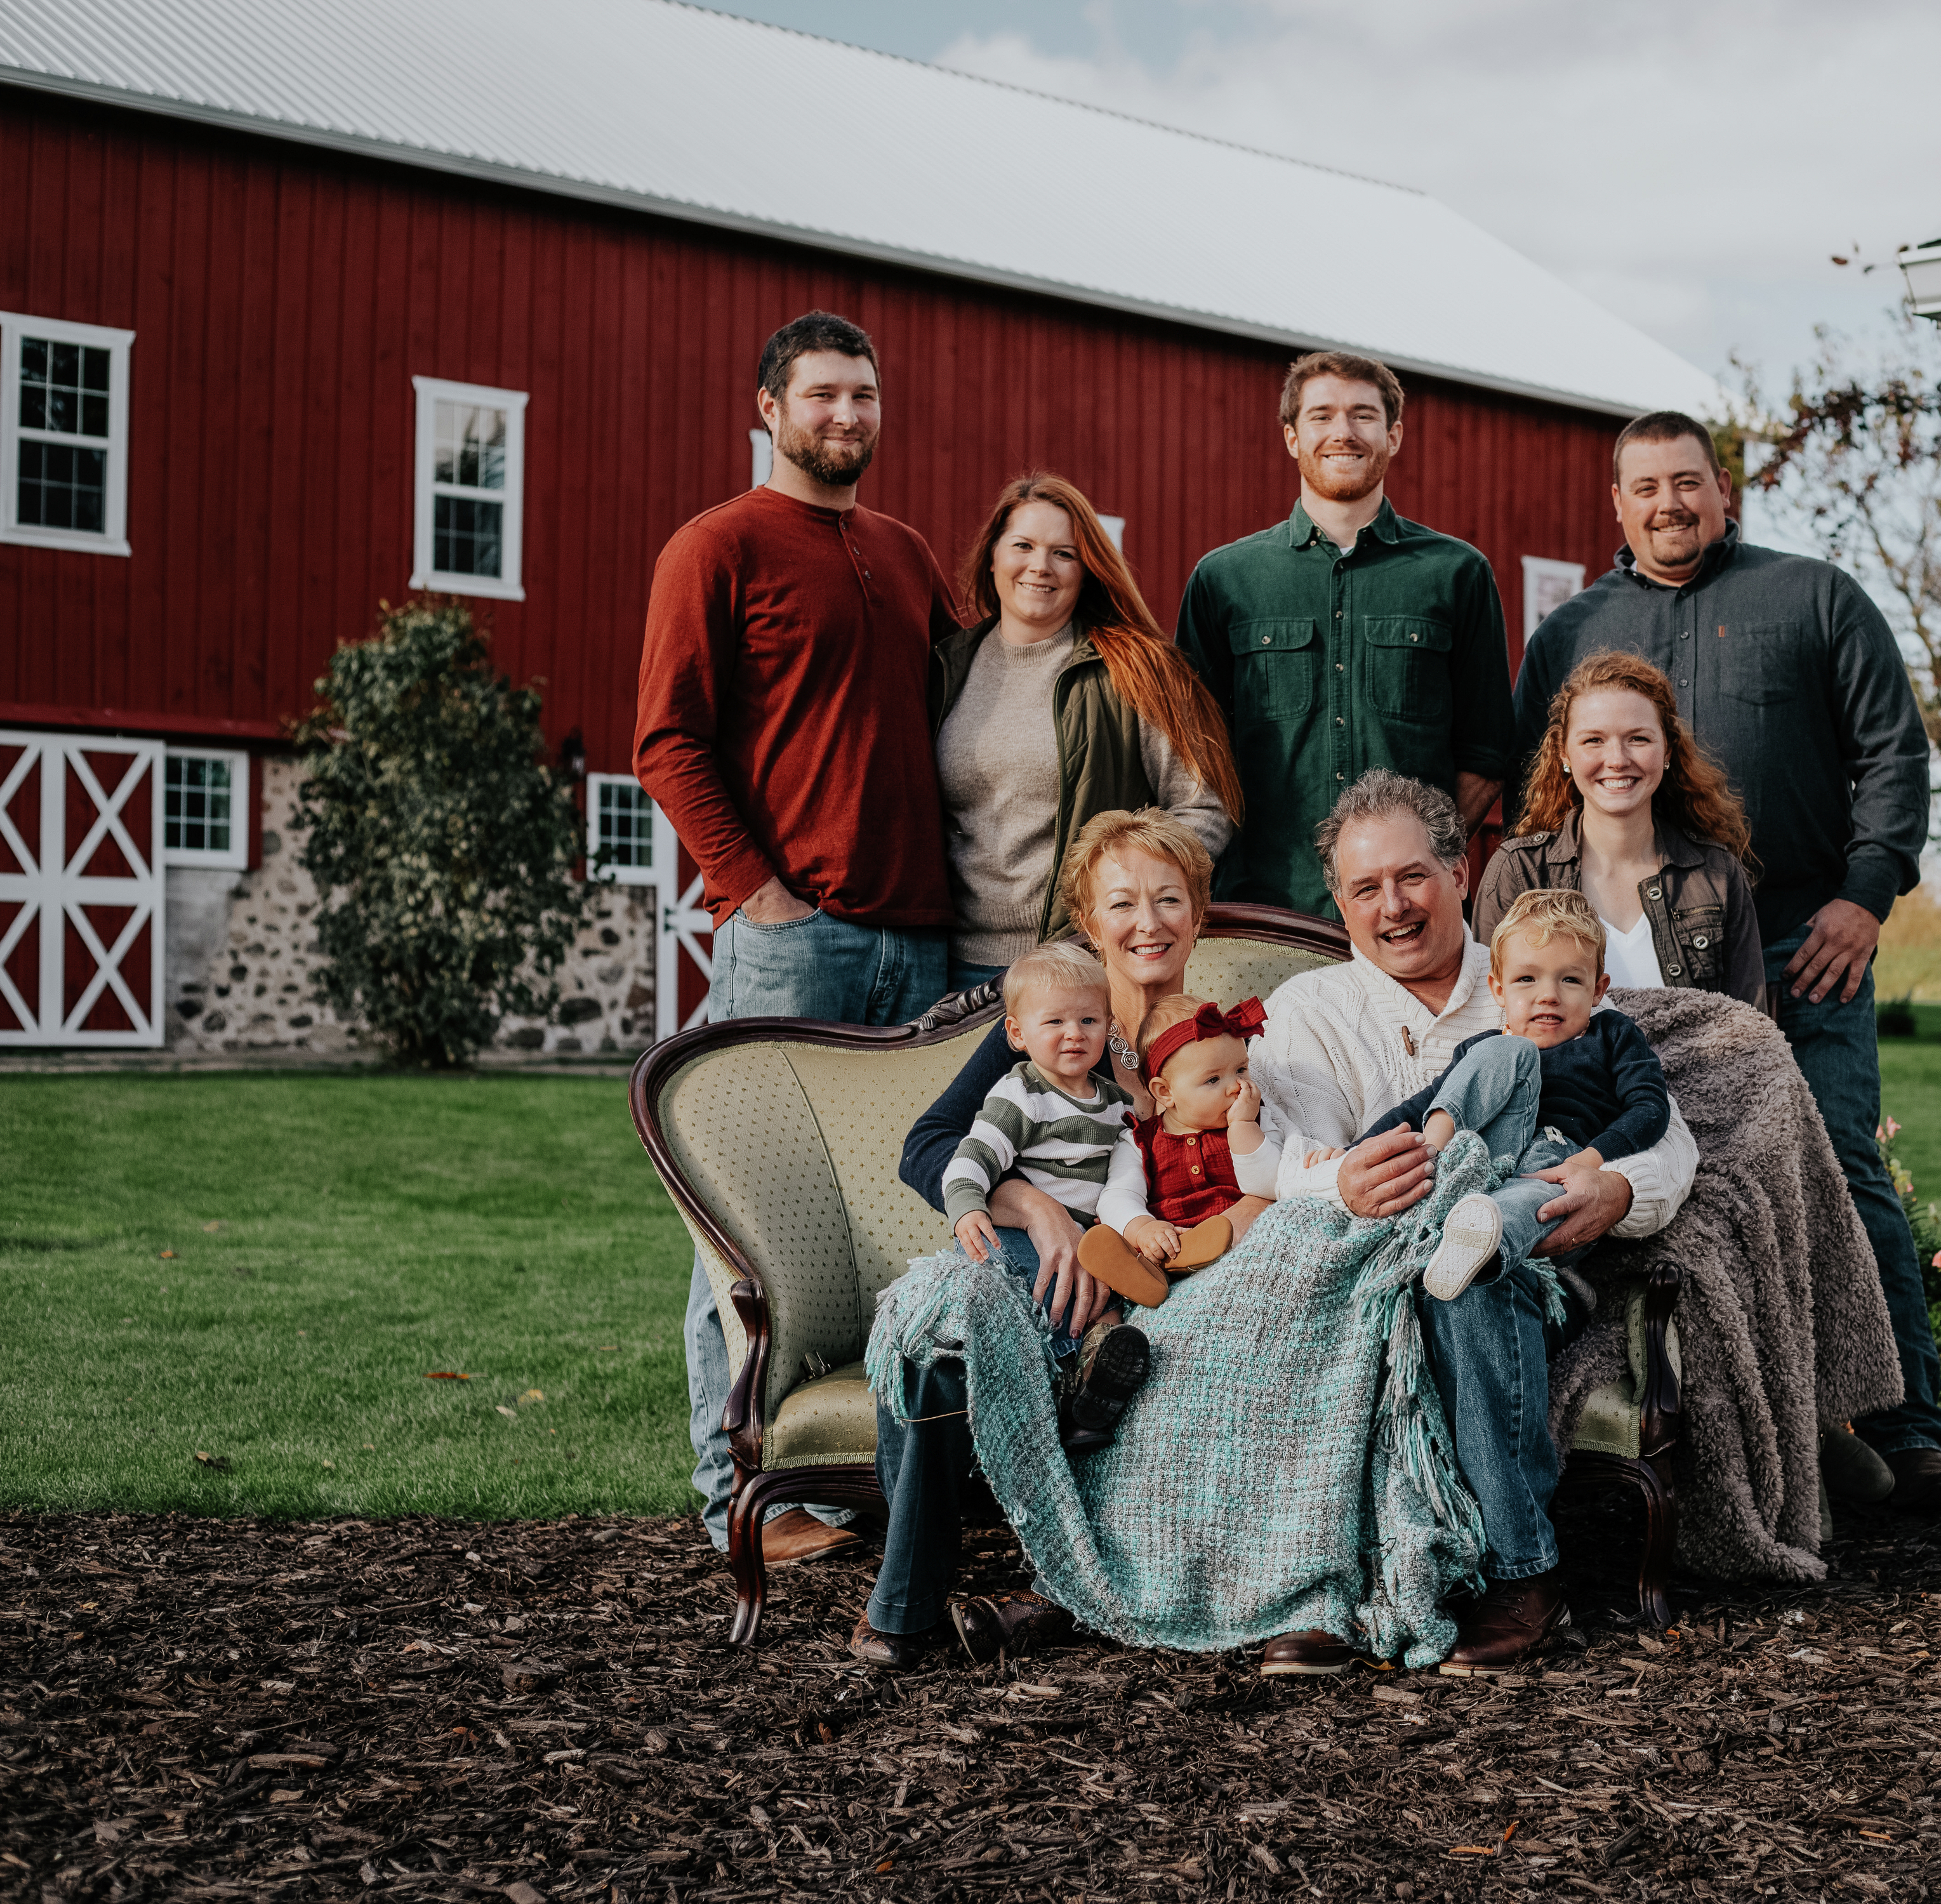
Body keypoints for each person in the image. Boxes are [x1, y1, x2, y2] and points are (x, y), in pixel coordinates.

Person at [1505, 411, 1941, 1508]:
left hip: (1804, 943)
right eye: (1645, 487)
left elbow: (1893, 756)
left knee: (1837, 1171)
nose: (1668, 503)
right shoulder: (1571, 633)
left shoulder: (1813, 598)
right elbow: (1535, 788)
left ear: (1725, 490)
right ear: (1614, 504)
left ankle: (1903, 1425)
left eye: (1688, 483)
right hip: (1627, 966)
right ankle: (1745, 1436)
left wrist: (1865, 897)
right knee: (1669, 1189)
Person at [1244, 770, 1699, 1677]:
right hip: (1380, 1252)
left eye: (1412, 876)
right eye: (1365, 888)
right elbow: (1288, 1164)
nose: (1393, 906)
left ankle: (1522, 1575)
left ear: (1460, 870)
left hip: (1531, 1252)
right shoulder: (1310, 1010)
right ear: (1339, 903)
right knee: (1353, 1291)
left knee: (1470, 1279)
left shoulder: (1539, 967)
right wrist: (1345, 1183)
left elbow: (1669, 1142)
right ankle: (1327, 1588)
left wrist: (1614, 1190)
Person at [635, 310, 957, 1575]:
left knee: (893, 1223)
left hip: (920, 945)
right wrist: (756, 892)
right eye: (823, 396)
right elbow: (670, 740)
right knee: (746, 1222)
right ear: (767, 409)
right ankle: (740, 1502)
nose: (848, 418)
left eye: (865, 398)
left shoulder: (907, 553)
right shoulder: (715, 548)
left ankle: (865, 1478)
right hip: (796, 939)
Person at [874, 810, 1253, 1667]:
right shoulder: (1056, 1029)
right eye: (1122, 904)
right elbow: (928, 1147)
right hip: (1041, 1267)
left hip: (1157, 1281)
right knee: (939, 1351)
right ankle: (903, 1615)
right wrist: (1034, 1208)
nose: (1147, 924)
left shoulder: (1215, 1041)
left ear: (1199, 914)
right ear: (1090, 925)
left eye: (1168, 901)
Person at [1175, 351, 1513, 918]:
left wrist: (1421, 861)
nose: (1343, 432)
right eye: (1322, 416)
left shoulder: (1457, 574)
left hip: (1405, 915)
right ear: (1291, 437)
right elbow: (1189, 758)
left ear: (1395, 434)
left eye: (1363, 415)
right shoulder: (1224, 580)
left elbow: (1486, 754)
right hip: (1264, 908)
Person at [936, 474, 1240, 993]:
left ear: (1087, 571)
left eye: (1064, 554)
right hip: (952, 969)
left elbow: (1205, 807)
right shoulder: (945, 667)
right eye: (1024, 546)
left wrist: (1125, 903)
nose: (1040, 566)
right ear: (992, 556)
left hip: (1078, 966)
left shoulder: (1133, 670)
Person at [1363, 889, 1671, 1302]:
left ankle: (1477, 1254)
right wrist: (1355, 1153)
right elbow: (1422, 1105)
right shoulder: (1486, 1048)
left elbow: (1650, 1108)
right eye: (1527, 978)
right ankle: (1435, 1190)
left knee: (1534, 1200)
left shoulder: (1612, 1034)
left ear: (1598, 990)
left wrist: (1592, 1160)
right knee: (1506, 1051)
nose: (1549, 994)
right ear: (1499, 989)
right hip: (1486, 1157)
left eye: (1571, 979)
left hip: (1560, 1165)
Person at [940, 941, 1165, 1451]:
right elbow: (972, 1157)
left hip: (1088, 1240)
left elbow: (1132, 1170)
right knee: (1046, 1279)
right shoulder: (1021, 1094)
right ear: (1018, 1033)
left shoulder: (1115, 1106)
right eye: (1055, 1023)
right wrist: (967, 1206)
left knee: (1111, 1304)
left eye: (1088, 1021)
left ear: (1107, 1028)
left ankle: (1088, 1397)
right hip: (1018, 1235)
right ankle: (1078, 1371)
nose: (1074, 1034)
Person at [1477, 651, 1767, 1014]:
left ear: (1668, 751)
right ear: (1563, 753)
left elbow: (1749, 1032)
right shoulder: (1520, 871)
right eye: (1593, 740)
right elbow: (1491, 1019)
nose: (1616, 759)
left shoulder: (1718, 874)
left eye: (1638, 739)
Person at [1124, 995, 1276, 1274]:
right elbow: (1119, 1194)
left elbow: (1272, 1184)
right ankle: (1139, 1276)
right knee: (1128, 1242)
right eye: (1213, 1080)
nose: (1236, 1087)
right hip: (1171, 1243)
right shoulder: (1139, 1141)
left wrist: (1243, 1126)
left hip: (1240, 1239)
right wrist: (1142, 1229)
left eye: (1241, 1069)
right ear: (1165, 1093)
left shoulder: (1257, 1119)